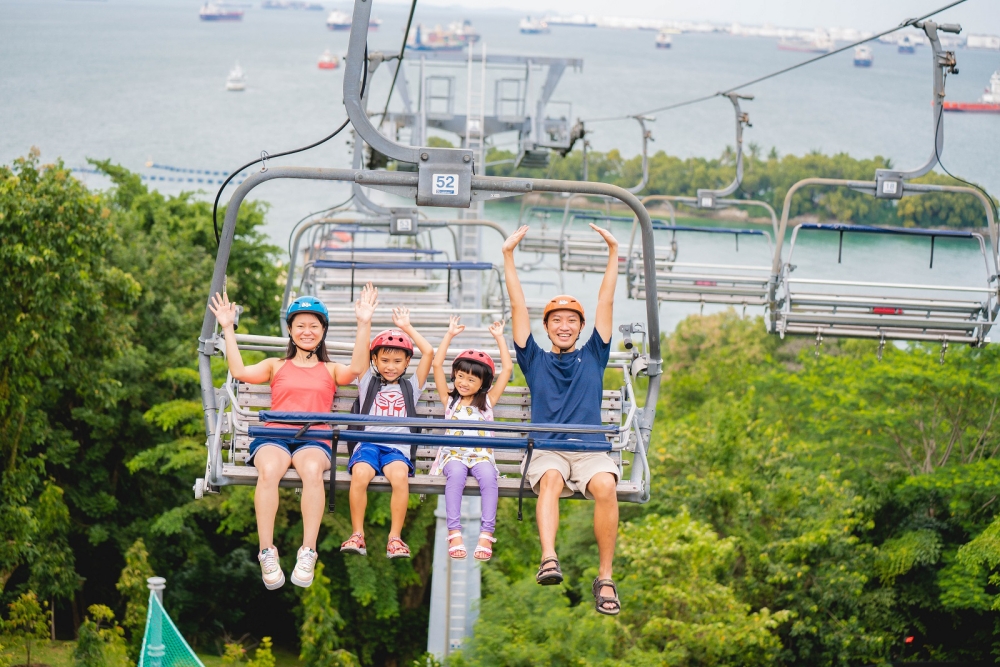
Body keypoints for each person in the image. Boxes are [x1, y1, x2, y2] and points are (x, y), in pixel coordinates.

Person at [209, 284, 377, 590]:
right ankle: (266, 551)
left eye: (314, 326)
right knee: (270, 470)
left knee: (312, 471)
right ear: (290, 330)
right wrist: (227, 328)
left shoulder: (330, 370)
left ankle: (307, 551)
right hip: (275, 437)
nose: (307, 331)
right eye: (300, 326)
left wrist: (364, 322)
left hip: (313, 439)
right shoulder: (276, 366)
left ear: (323, 331)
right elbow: (239, 370)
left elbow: (357, 368)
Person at [502, 222, 623, 616]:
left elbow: (606, 302)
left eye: (572, 321)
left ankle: (605, 576)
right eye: (557, 320)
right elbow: (517, 307)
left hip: (589, 450)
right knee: (551, 479)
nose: (564, 326)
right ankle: (549, 558)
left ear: (581, 327)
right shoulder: (533, 359)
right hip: (548, 449)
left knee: (606, 484)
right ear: (547, 327)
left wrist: (612, 254)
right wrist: (508, 256)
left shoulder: (594, 355)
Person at [340, 307, 433, 559]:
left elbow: (429, 352)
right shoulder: (367, 382)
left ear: (406, 363)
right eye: (384, 360)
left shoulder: (411, 387)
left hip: (397, 448)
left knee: (400, 477)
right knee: (360, 474)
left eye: (397, 361)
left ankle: (395, 537)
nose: (390, 367)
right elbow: (359, 357)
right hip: (368, 445)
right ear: (375, 361)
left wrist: (406, 326)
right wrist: (365, 321)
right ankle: (357, 534)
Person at [431, 316, 513, 561]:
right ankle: (454, 532)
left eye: (471, 379)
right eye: (460, 377)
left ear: (482, 384)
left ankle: (486, 534)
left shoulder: (487, 403)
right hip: (454, 455)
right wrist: (449, 335)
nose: (463, 383)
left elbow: (507, 369)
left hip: (481, 456)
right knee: (455, 476)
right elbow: (436, 366)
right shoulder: (450, 400)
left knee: (489, 478)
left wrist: (499, 338)